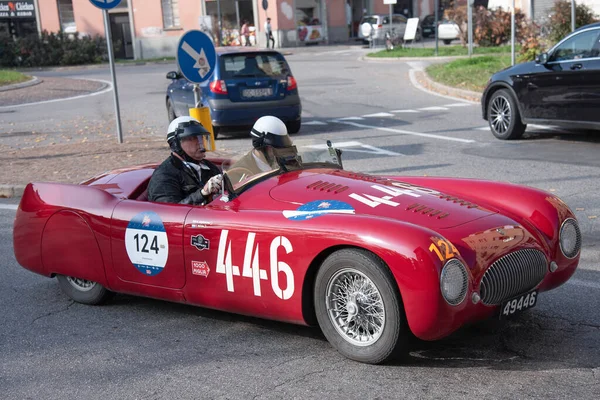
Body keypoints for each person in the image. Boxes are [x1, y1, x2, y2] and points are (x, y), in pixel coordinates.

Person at [148, 116, 223, 205]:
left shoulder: (209, 167)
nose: (200, 142)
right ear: (176, 144)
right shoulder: (164, 175)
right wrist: (202, 193)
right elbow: (169, 212)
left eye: (200, 137)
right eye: (192, 138)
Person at [225, 116, 297, 184]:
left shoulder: (286, 162)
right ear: (260, 146)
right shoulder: (238, 172)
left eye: (283, 148)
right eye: (273, 149)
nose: (280, 154)